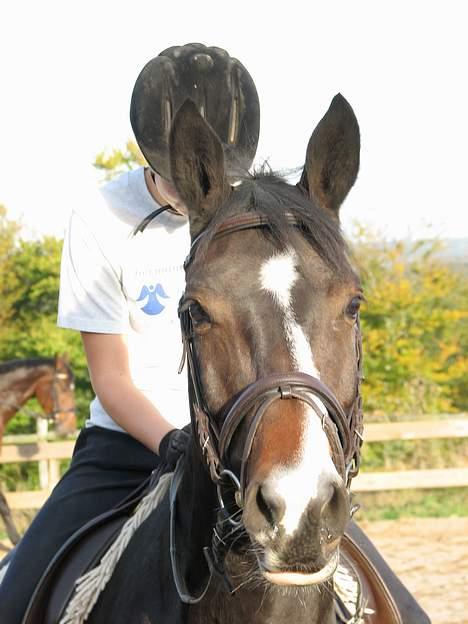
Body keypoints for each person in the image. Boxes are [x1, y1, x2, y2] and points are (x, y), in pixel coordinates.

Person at [0, 42, 260, 624]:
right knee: (14, 596)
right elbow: (111, 377)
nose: (195, 194)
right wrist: (175, 444)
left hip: (241, 453)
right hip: (129, 449)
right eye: (179, 176)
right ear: (151, 156)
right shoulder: (99, 217)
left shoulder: (250, 215)